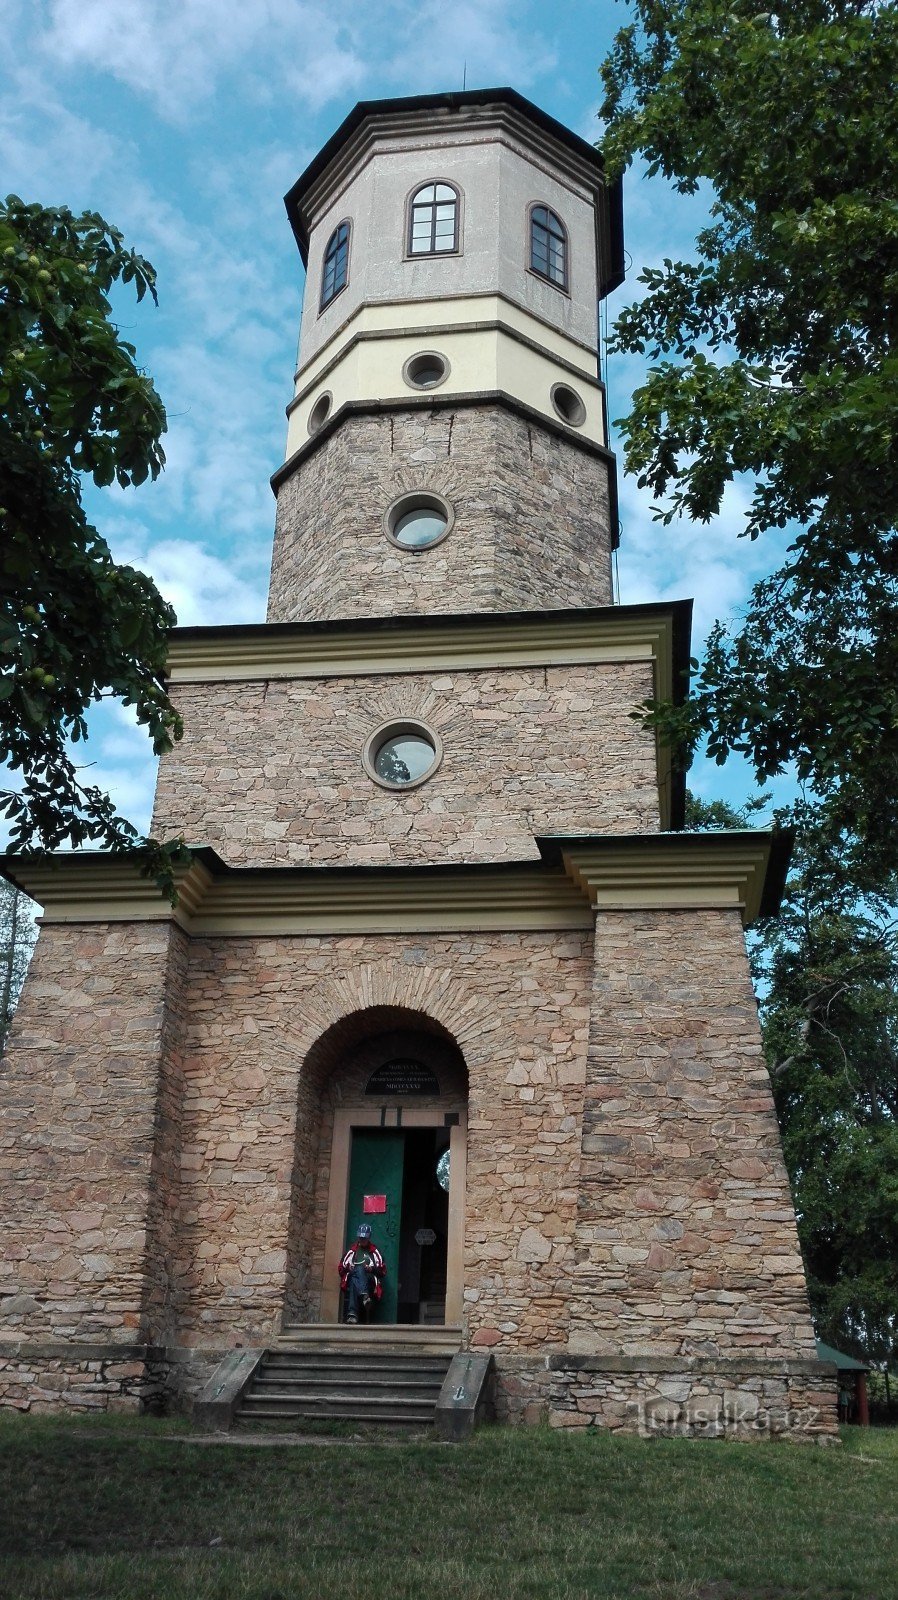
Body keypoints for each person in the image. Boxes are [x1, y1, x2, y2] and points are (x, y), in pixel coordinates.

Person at [339, 1223, 385, 1324]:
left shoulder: (374, 1251)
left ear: (368, 1238)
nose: (362, 1240)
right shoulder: (352, 1251)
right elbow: (341, 1269)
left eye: (364, 1238)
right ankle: (364, 1296)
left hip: (370, 1278)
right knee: (355, 1277)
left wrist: (371, 1269)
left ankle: (352, 1314)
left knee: (357, 1275)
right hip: (354, 1276)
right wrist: (348, 1268)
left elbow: (382, 1271)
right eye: (361, 1238)